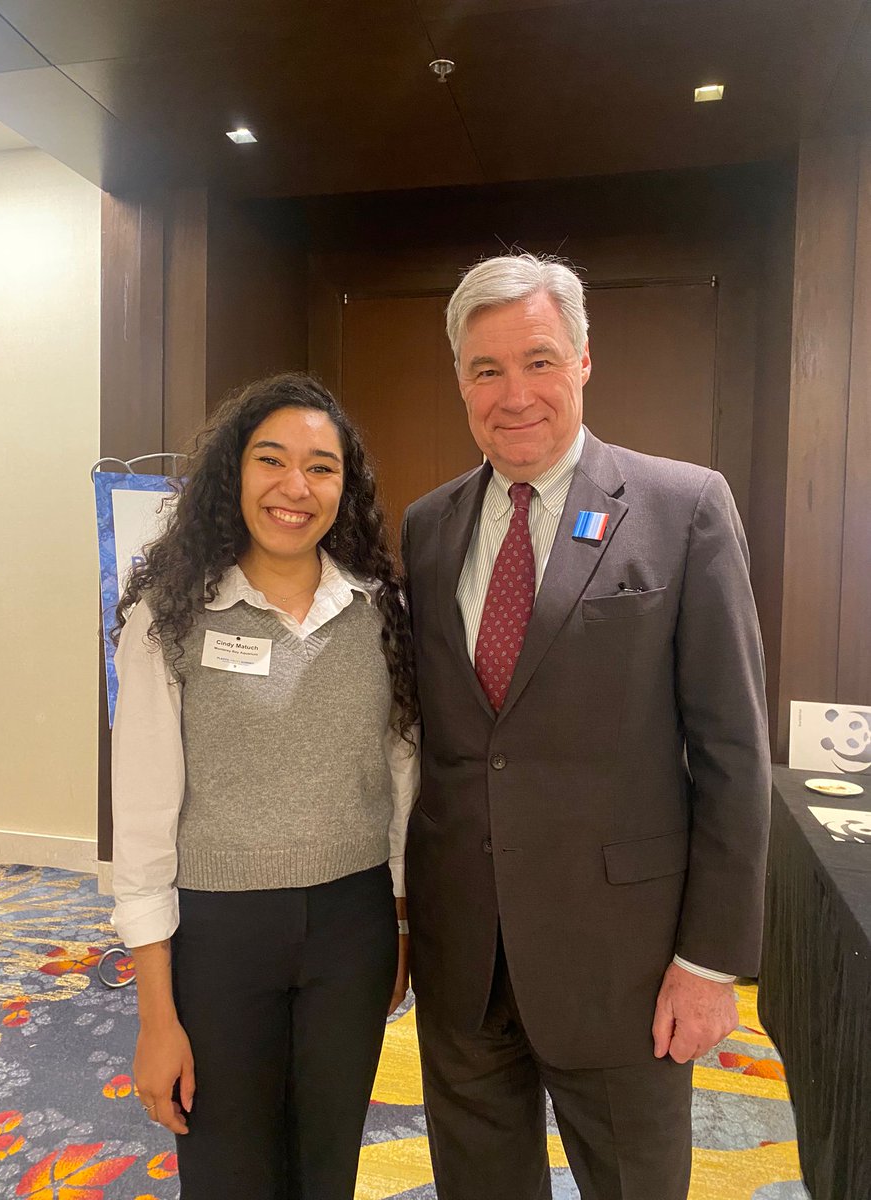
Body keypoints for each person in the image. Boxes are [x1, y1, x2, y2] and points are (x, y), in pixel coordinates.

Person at [401, 253, 771, 1200]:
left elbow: (732, 754)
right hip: (465, 959)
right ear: (459, 380)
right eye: (486, 370)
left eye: (537, 360)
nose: (513, 393)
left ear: (583, 362)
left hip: (626, 962)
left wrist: (708, 961)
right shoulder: (429, 526)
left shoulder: (684, 507)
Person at [110, 373, 417, 1200]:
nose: (295, 487)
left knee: (328, 1168)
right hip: (217, 933)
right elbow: (141, 824)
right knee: (228, 1171)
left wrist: (399, 917)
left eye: (321, 467)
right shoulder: (168, 618)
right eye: (270, 460)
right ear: (232, 475)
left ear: (344, 488)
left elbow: (400, 776)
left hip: (352, 930)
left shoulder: (382, 611)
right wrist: (155, 1017)